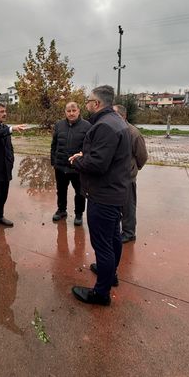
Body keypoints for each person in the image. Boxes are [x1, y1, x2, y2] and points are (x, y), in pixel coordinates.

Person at [69, 85, 131, 306]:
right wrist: (86, 155)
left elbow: (98, 164)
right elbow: (105, 156)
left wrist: (78, 160)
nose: (86, 104)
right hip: (115, 192)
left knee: (103, 244)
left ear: (96, 104)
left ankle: (101, 293)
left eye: (88, 101)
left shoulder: (104, 125)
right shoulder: (117, 121)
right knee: (113, 238)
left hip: (103, 195)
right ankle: (110, 274)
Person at [0, 102, 27, 235]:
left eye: (5, 111)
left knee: (4, 195)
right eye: (1, 111)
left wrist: (11, 160)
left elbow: (9, 147)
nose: (5, 113)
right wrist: (11, 129)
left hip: (5, 168)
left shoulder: (5, 127)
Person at [50, 102, 91, 225]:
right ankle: (61, 210)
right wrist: (54, 161)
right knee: (61, 190)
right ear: (65, 112)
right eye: (69, 111)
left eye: (74, 110)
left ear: (79, 111)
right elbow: (54, 145)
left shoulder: (87, 126)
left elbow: (89, 148)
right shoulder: (59, 125)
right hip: (61, 166)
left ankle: (79, 214)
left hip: (77, 167)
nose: (71, 113)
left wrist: (84, 162)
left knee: (80, 192)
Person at [113, 104, 148, 243]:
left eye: (116, 115)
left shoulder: (133, 133)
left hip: (127, 177)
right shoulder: (111, 130)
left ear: (124, 116)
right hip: (113, 176)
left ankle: (129, 232)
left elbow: (142, 156)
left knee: (128, 205)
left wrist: (133, 169)